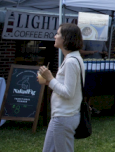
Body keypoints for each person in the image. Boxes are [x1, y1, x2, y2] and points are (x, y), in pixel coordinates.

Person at [38, 23, 85, 152]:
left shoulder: (71, 61)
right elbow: (68, 87)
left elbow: (68, 92)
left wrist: (51, 79)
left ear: (66, 38)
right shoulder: (72, 58)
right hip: (60, 116)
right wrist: (49, 82)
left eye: (58, 34)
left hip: (64, 117)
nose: (55, 36)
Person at [79, 40, 107, 114]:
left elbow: (106, 52)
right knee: (86, 87)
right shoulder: (86, 40)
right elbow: (80, 51)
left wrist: (104, 53)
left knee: (94, 88)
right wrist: (90, 52)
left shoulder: (102, 41)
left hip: (98, 67)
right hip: (87, 67)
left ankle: (90, 106)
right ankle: (84, 107)